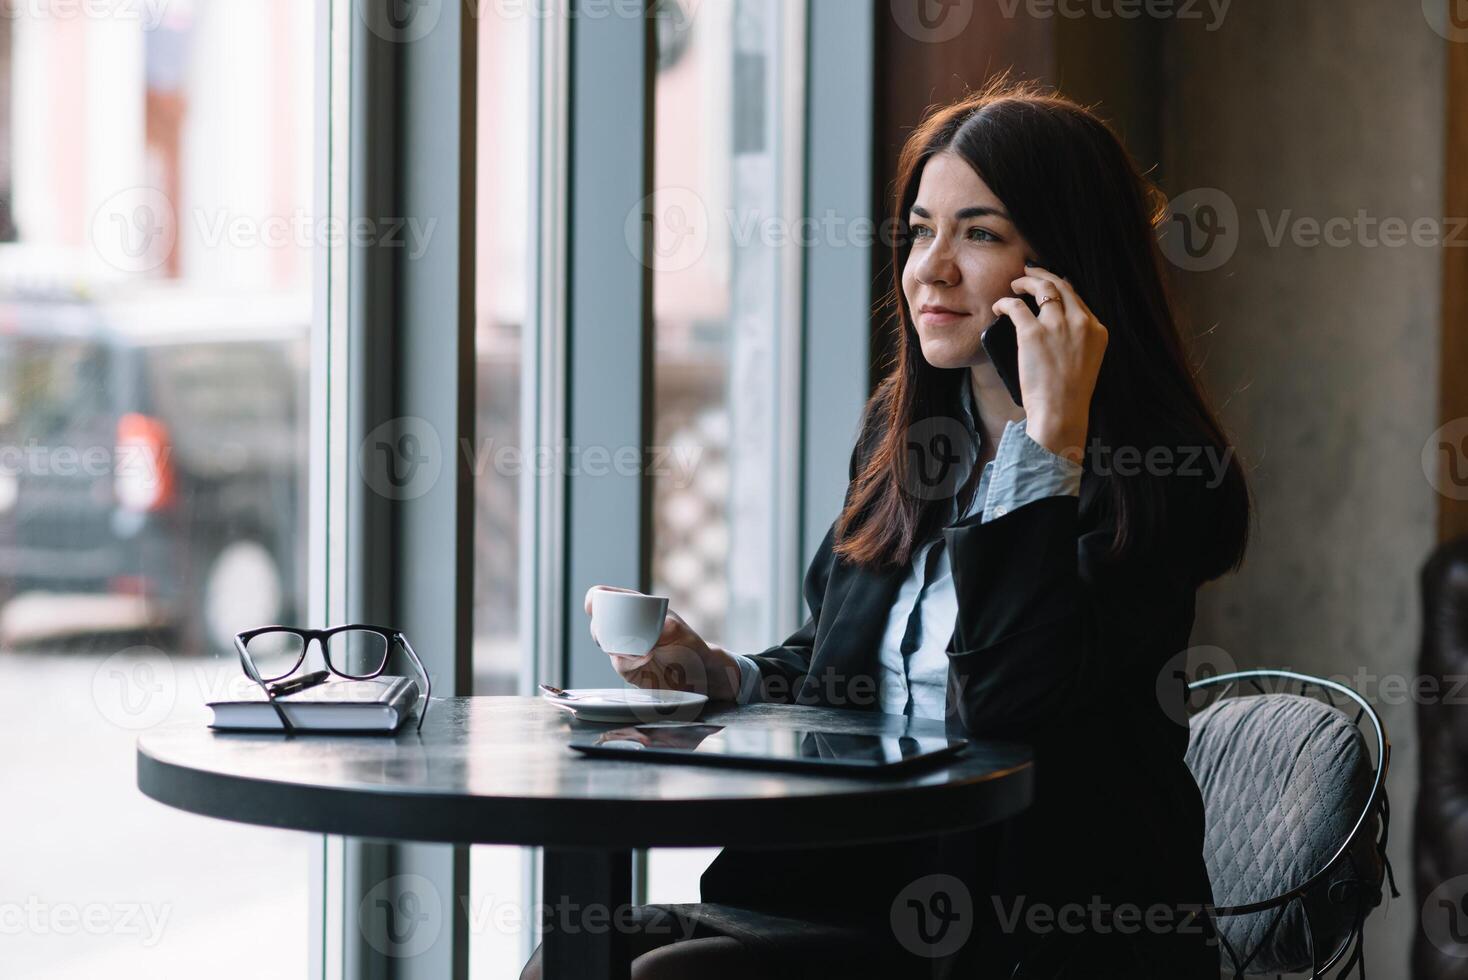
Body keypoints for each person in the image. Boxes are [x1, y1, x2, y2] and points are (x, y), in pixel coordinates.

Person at [522, 75, 1251, 980]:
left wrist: (1049, 440)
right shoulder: (906, 434)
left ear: (1066, 262)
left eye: (979, 233)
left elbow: (1012, 706)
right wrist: (721, 675)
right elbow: (843, 672)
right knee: (575, 953)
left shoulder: (1159, 472)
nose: (929, 268)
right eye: (920, 230)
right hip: (852, 886)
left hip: (1028, 926)